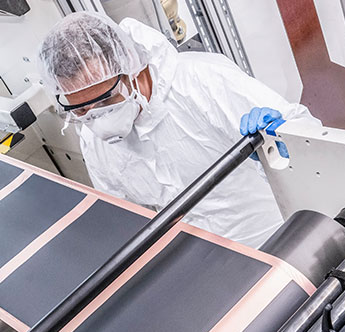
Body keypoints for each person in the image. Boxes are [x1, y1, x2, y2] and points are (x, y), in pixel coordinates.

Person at [38, 12, 317, 248]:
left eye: (105, 101)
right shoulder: (93, 140)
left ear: (131, 68)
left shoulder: (202, 82)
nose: (98, 119)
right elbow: (125, 218)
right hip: (208, 262)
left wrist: (286, 142)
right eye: (81, 110)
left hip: (284, 239)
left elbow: (309, 140)